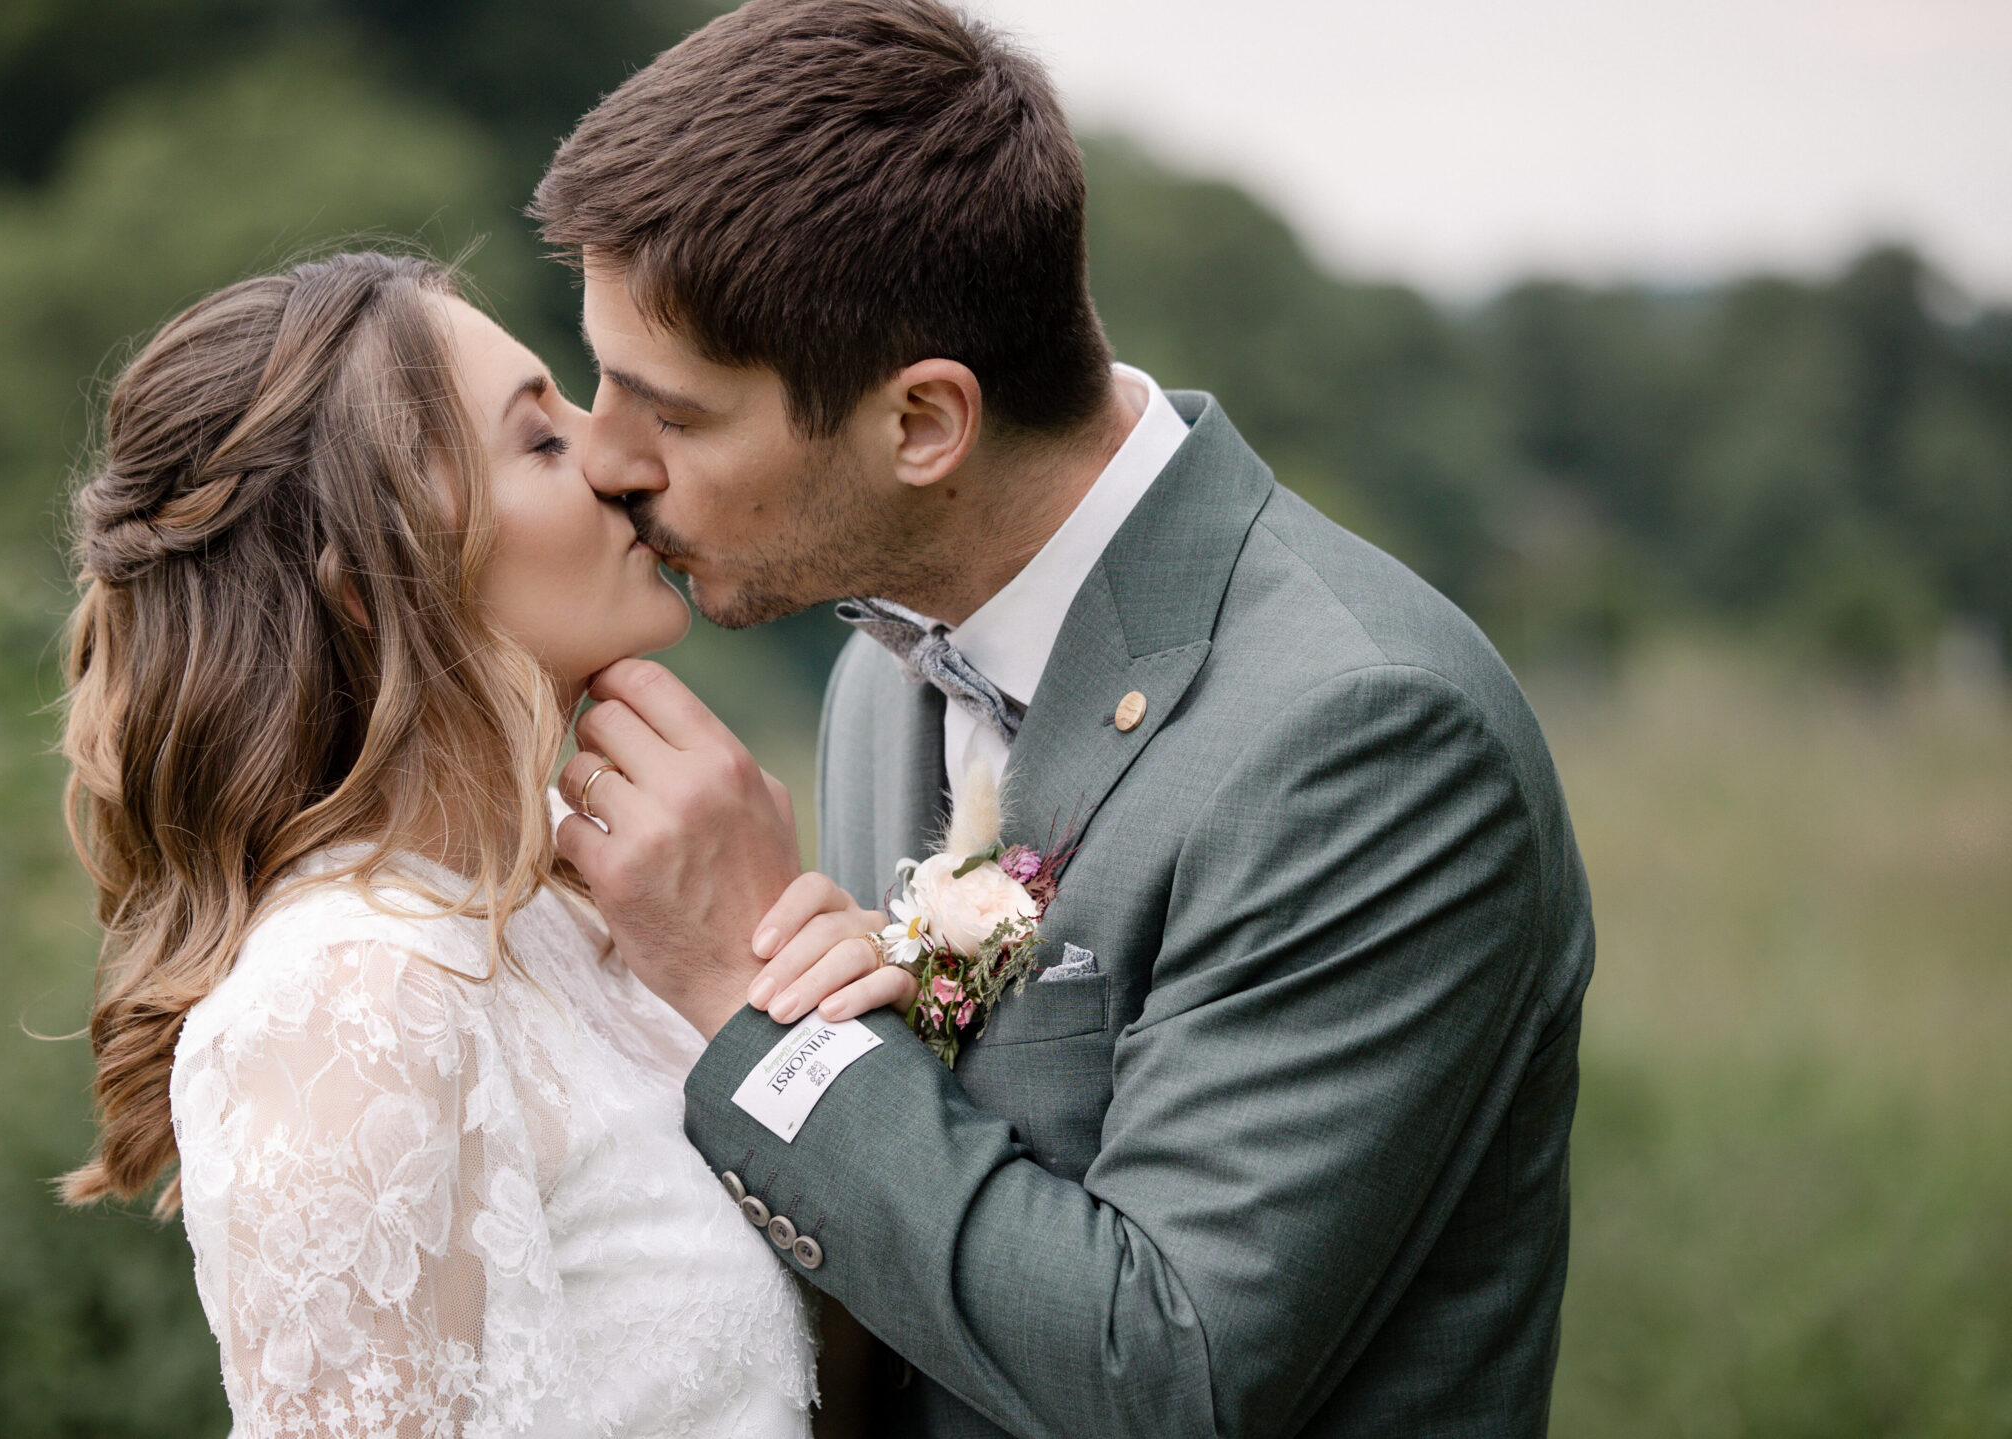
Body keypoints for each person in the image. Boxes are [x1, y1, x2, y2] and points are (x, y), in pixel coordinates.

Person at [530, 2, 1596, 1437]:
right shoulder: (880, 673)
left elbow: (1164, 1374)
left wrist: (745, 1000)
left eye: (674, 413)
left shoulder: (1369, 735)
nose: (604, 456)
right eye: (599, 380)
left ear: (922, 423)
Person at [52, 252, 916, 1438]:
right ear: (371, 580)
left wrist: (826, 1008)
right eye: (542, 440)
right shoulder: (346, 994)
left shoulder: (592, 904)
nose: (618, 461)